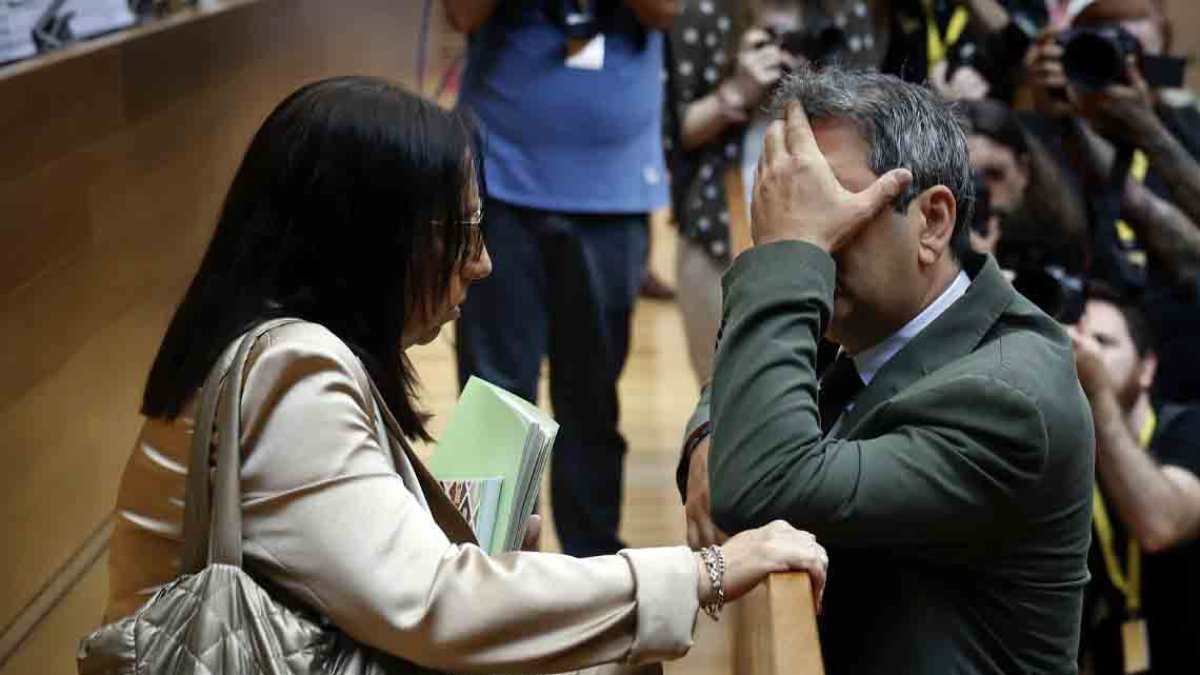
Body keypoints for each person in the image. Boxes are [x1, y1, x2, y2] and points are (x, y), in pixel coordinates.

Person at [103, 78, 830, 674]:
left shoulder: (267, 343)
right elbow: (434, 603)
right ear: (370, 239)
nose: (481, 264)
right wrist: (702, 570)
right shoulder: (292, 372)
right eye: (463, 232)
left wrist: (444, 531)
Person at [679, 67, 1094, 674]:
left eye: (829, 209)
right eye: (791, 210)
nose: (807, 237)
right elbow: (741, 371)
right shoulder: (875, 321)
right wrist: (706, 436)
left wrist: (786, 256)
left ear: (931, 221)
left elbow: (759, 484)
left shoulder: (1005, 398)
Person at [447, 0, 676, 557]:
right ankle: (481, 592)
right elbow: (462, 14)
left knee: (592, 403)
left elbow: (667, 10)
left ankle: (591, 587)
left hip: (613, 185)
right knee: (493, 400)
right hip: (497, 175)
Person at [1069, 284, 1200, 675]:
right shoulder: (1068, 456)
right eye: (1076, 341)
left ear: (1147, 369)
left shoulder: (1189, 427)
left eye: (1103, 343)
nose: (1084, 354)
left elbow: (1160, 525)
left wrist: (1095, 392)